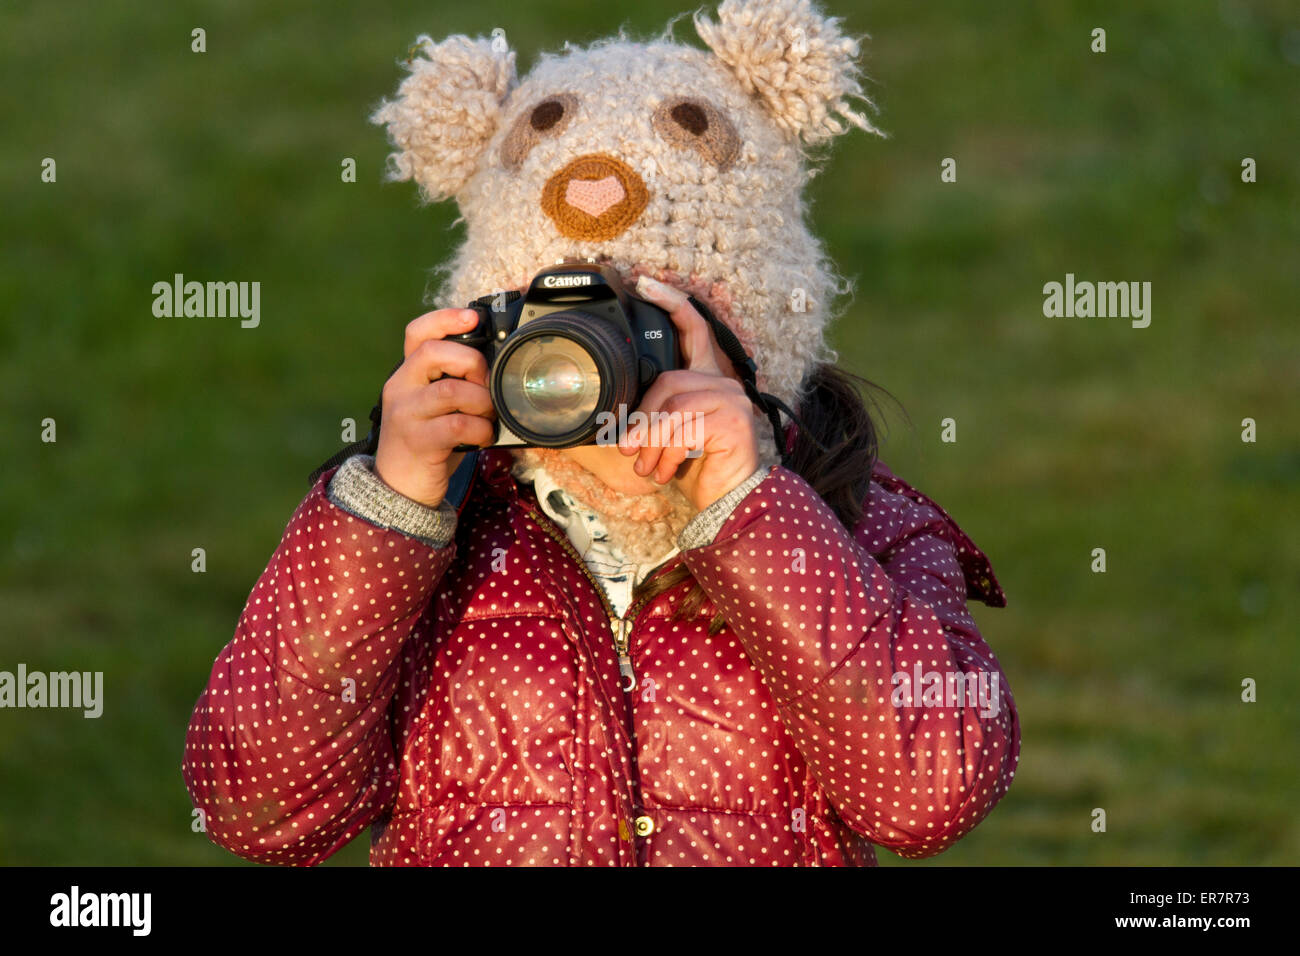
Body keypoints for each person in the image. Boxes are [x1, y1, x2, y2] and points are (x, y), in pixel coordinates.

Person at [182, 0, 1020, 866]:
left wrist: (749, 507)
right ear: (489, 336)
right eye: (559, 340)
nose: (602, 382)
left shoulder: (855, 524)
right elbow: (257, 811)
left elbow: (931, 794)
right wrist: (390, 507)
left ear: (752, 347)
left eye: (649, 331)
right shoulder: (427, 538)